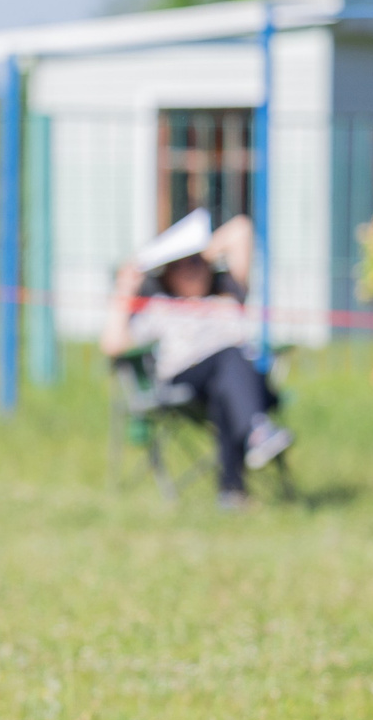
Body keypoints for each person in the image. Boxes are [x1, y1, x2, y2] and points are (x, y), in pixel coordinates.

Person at [101, 210, 293, 506]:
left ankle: (232, 492)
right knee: (230, 359)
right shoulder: (161, 306)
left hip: (237, 381)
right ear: (167, 272)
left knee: (226, 386)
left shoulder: (227, 293)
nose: (193, 270)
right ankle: (257, 430)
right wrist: (126, 287)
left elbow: (241, 229)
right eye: (181, 265)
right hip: (188, 378)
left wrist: (198, 250)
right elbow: (112, 344)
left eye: (197, 263)